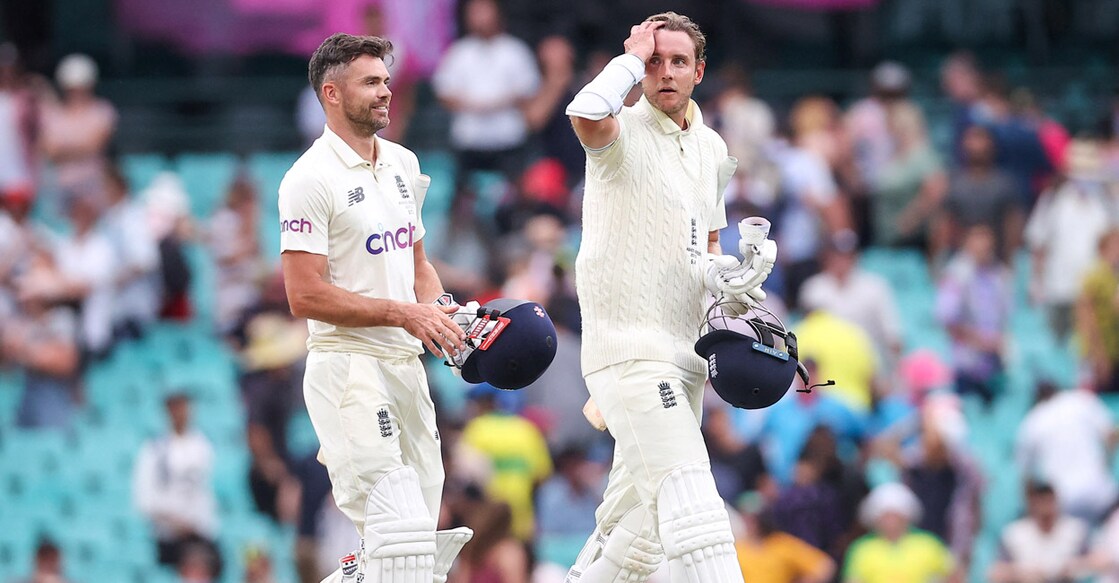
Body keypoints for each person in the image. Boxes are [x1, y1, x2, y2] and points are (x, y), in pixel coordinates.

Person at [563, 12, 774, 582]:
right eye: (655, 62)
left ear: (699, 71)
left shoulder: (709, 146)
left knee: (636, 543)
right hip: (630, 351)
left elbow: (702, 249)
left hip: (686, 358)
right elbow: (585, 112)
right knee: (696, 514)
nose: (665, 72)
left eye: (677, 61)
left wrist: (732, 281)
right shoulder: (619, 128)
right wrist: (629, 58)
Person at [278, 33, 472, 583]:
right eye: (372, 82)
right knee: (403, 539)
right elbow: (304, 295)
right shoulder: (307, 180)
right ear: (332, 93)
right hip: (348, 367)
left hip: (405, 367)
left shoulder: (404, 164)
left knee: (418, 550)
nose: (387, 91)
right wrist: (403, 313)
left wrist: (443, 312)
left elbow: (419, 269)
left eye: (386, 80)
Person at [132, 392, 221, 571]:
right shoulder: (154, 450)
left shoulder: (204, 446)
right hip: (169, 540)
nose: (180, 412)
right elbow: (144, 502)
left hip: (203, 535)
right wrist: (175, 522)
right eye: (175, 406)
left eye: (183, 405)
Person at [843, 482, 956, 583]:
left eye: (895, 516)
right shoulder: (862, 549)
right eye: (886, 516)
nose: (891, 521)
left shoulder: (929, 544)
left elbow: (953, 576)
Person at [988, 481, 1092, 583]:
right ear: (1032, 505)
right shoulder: (1015, 534)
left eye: (1049, 501)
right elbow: (995, 574)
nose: (1046, 508)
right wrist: (1022, 573)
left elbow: (1100, 560)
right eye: (1041, 502)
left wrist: (1075, 566)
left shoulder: (1073, 530)